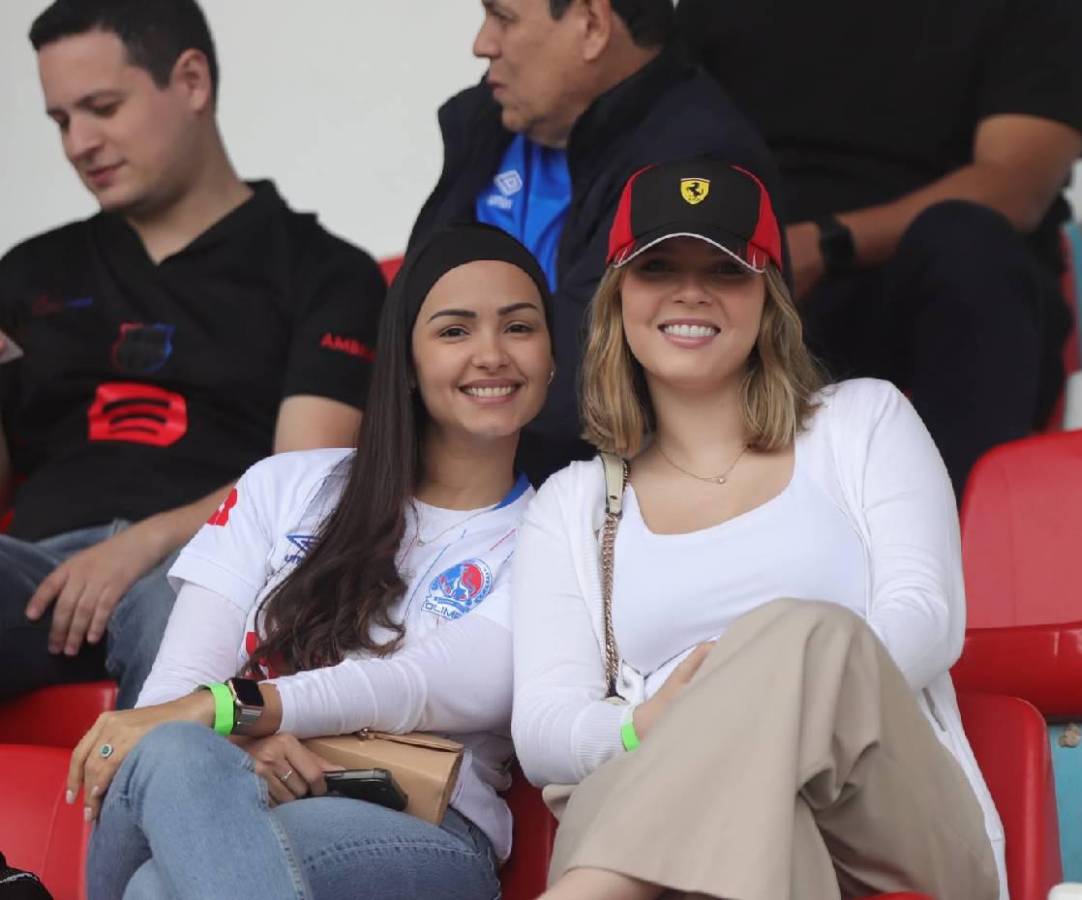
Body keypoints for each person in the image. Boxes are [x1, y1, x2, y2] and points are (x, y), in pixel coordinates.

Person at [511, 161, 1006, 899]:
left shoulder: (862, 422)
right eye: (658, 268)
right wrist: (642, 723)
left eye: (725, 269)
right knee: (766, 818)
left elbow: (928, 622)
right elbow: (544, 729)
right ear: (617, 299)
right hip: (714, 837)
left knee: (808, 632)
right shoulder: (570, 506)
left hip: (886, 822)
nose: (691, 291)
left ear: (767, 298)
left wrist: (746, 694)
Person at [69, 224, 553, 900]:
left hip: (418, 828)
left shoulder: (559, 530)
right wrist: (234, 753)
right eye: (454, 331)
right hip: (222, 790)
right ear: (407, 361)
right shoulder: (285, 486)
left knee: (159, 885)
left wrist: (229, 711)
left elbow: (420, 685)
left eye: (520, 328)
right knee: (171, 758)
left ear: (555, 356)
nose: (492, 354)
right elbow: (168, 703)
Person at [0, 0, 385, 708]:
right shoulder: (25, 274)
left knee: (188, 623)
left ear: (192, 81)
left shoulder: (326, 273)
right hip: (33, 573)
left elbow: (304, 484)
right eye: (60, 121)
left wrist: (142, 544)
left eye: (102, 108)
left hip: (203, 568)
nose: (78, 144)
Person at [677, 0, 1082, 496]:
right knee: (647, 258)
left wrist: (825, 243)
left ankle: (955, 545)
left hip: (936, 298)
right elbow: (664, 127)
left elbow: (1016, 185)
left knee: (967, 242)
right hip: (754, 269)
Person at [409, 0, 782, 482]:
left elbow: (587, 387)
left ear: (591, 24)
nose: (482, 45)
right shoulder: (491, 121)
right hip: (447, 478)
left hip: (579, 499)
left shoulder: (696, 158)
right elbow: (407, 321)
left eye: (503, 17)